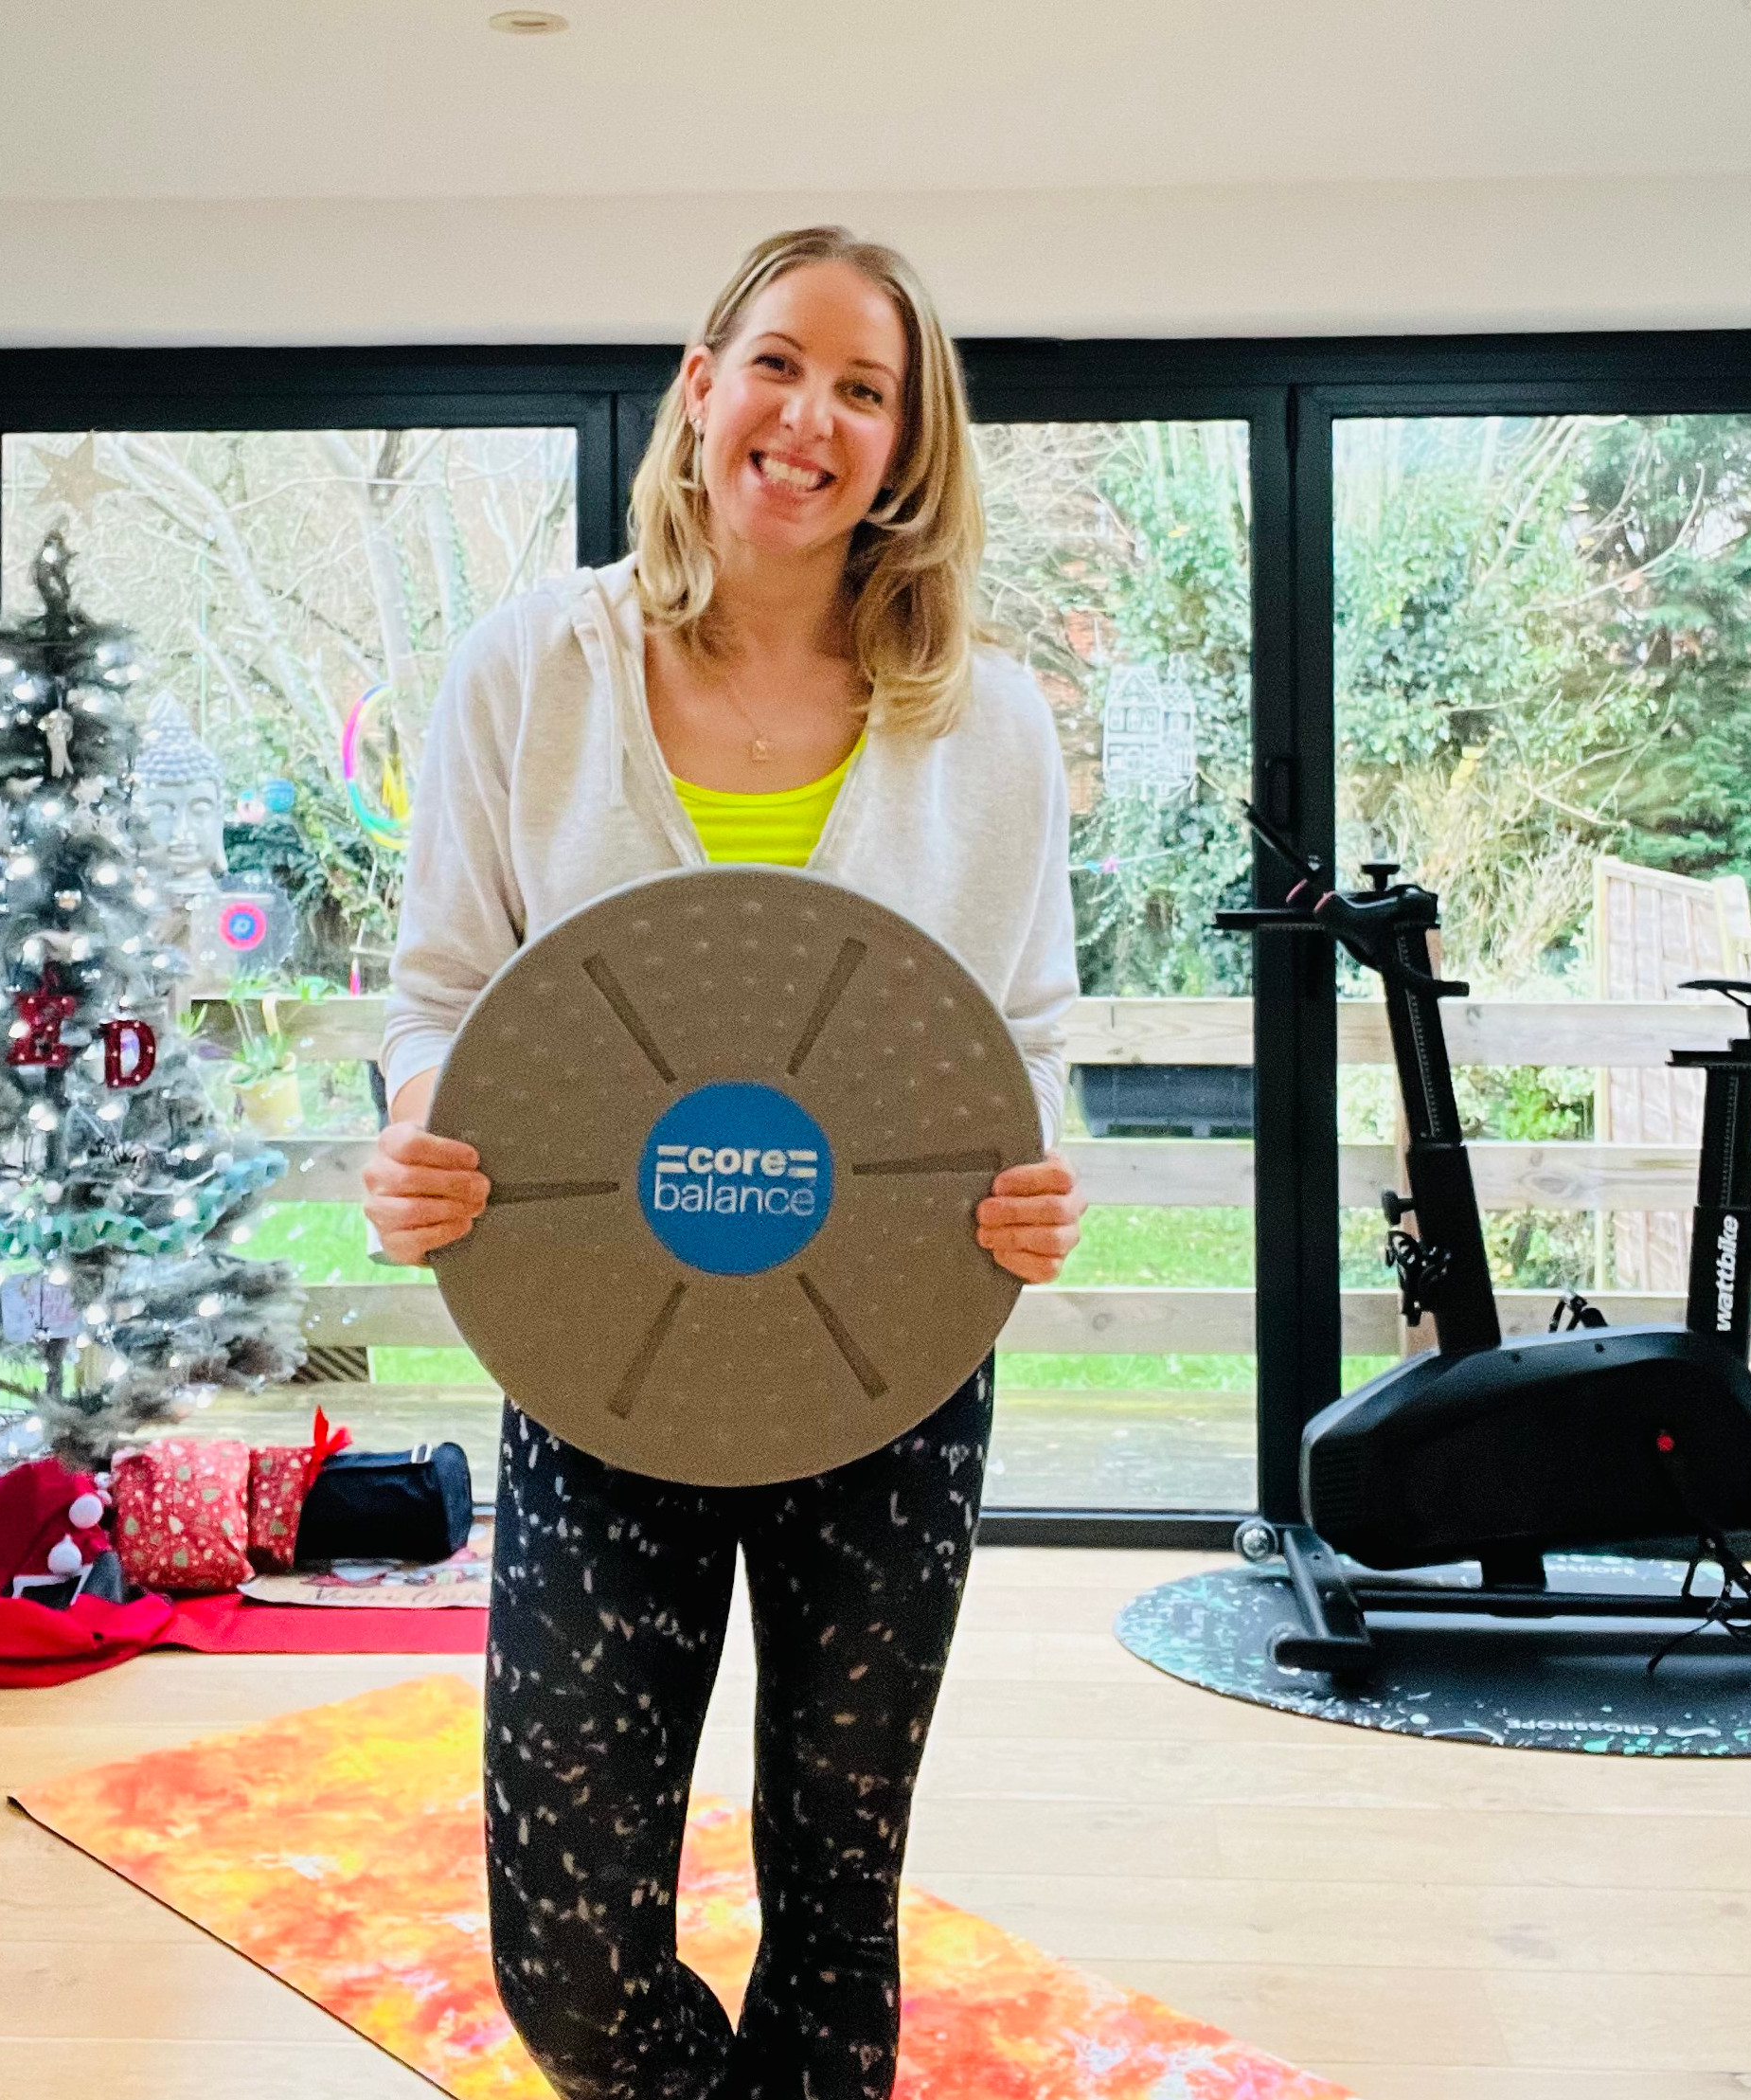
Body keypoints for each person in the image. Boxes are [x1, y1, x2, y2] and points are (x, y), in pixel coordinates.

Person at [364, 226, 1085, 2100]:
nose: (812, 417)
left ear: (909, 449)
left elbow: (1028, 1025)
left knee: (838, 1898)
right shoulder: (534, 669)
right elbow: (443, 983)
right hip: (608, 1358)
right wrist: (421, 1129)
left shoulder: (986, 716)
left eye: (867, 389)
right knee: (575, 1942)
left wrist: (1035, 1176)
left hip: (890, 1361)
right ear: (702, 381)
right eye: (780, 363)